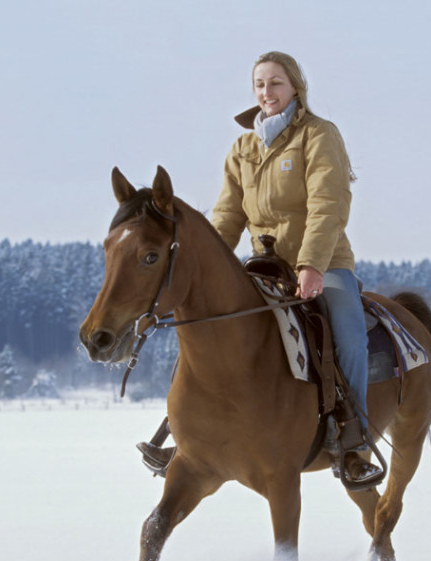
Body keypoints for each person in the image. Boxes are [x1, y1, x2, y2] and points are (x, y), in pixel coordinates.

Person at [137, 51, 382, 487]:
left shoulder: (318, 135)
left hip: (324, 264)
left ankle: (355, 438)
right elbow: (227, 218)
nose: (266, 93)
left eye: (275, 83)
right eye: (259, 85)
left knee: (347, 332)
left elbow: (329, 204)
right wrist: (203, 268)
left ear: (295, 88)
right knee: (205, 330)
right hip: (264, 268)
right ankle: (184, 432)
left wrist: (312, 265)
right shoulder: (242, 150)